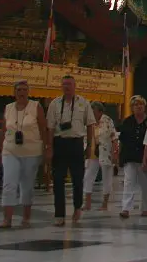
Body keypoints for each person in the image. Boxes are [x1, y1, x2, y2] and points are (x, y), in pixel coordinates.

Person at [0, 79, 49, 229]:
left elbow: (43, 128)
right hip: (10, 150)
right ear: (14, 92)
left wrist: (46, 147)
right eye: (18, 90)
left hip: (31, 151)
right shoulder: (8, 108)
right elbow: (3, 130)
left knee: (26, 185)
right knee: (9, 184)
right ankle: (7, 219)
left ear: (28, 92)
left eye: (24, 90)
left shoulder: (35, 106)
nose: (21, 93)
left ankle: (26, 217)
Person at [46, 75, 96, 226]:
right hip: (59, 143)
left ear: (75, 86)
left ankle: (77, 207)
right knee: (58, 179)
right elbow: (50, 128)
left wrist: (90, 146)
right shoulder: (55, 103)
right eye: (64, 84)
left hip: (76, 143)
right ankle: (59, 214)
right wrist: (49, 147)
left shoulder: (84, 103)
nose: (66, 87)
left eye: (69, 84)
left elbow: (90, 125)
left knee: (77, 178)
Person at [118, 95, 147, 219]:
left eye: (140, 104)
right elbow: (122, 139)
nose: (138, 107)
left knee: (145, 183)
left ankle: (145, 208)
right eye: (135, 105)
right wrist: (118, 155)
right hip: (130, 156)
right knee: (128, 182)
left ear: (145, 106)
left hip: (145, 156)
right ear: (132, 108)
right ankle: (126, 208)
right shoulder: (128, 121)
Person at [83, 101, 118, 211]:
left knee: (107, 177)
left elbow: (114, 137)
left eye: (93, 111)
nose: (92, 113)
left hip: (105, 152)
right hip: (92, 152)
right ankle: (87, 203)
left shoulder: (107, 120)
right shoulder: (88, 121)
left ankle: (105, 203)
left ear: (99, 111)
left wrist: (115, 152)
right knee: (87, 177)